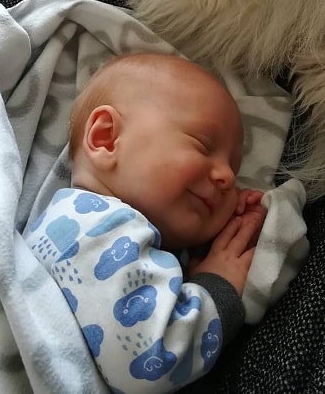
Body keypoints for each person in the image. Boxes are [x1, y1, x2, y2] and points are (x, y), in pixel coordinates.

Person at [24, 52, 266, 393]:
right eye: (202, 145)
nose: (227, 175)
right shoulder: (97, 226)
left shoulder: (86, 226)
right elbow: (151, 359)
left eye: (235, 169)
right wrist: (217, 287)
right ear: (106, 138)